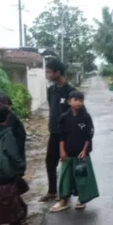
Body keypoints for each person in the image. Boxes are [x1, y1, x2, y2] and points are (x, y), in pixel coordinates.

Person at [50, 91, 99, 212]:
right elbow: (61, 136)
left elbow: (89, 135)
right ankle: (64, 200)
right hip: (68, 153)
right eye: (75, 100)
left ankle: (82, 199)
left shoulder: (86, 117)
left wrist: (84, 151)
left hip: (81, 155)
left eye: (81, 100)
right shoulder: (64, 117)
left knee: (81, 178)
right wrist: (62, 151)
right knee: (65, 178)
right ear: (69, 102)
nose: (78, 103)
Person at [0, 104, 28, 225]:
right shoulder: (7, 134)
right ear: (7, 117)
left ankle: (18, 218)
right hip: (8, 169)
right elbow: (12, 153)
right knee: (7, 197)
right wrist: (20, 165)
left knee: (8, 194)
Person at [40, 59, 76, 202]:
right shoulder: (51, 90)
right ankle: (52, 191)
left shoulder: (71, 91)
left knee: (67, 162)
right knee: (50, 162)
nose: (47, 75)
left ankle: (66, 192)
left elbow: (75, 114)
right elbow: (52, 109)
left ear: (58, 73)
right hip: (54, 133)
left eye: (49, 72)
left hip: (67, 135)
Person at [0, 94, 26, 177]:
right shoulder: (0, 116)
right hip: (7, 157)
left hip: (12, 151)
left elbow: (19, 137)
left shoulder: (9, 117)